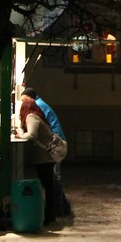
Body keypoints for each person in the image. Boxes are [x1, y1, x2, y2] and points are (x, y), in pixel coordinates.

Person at [21, 88, 72, 218]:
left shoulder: (36, 108)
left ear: (29, 100)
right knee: (53, 180)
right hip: (54, 144)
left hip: (51, 148)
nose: (22, 104)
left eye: (23, 100)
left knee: (53, 180)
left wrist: (22, 134)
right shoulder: (40, 105)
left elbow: (33, 133)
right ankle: (62, 208)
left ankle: (58, 210)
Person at [14, 97, 62, 225]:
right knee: (49, 185)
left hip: (43, 157)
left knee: (47, 185)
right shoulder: (37, 116)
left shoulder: (31, 117)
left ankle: (50, 214)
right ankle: (51, 213)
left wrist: (20, 134)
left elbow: (32, 135)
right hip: (47, 157)